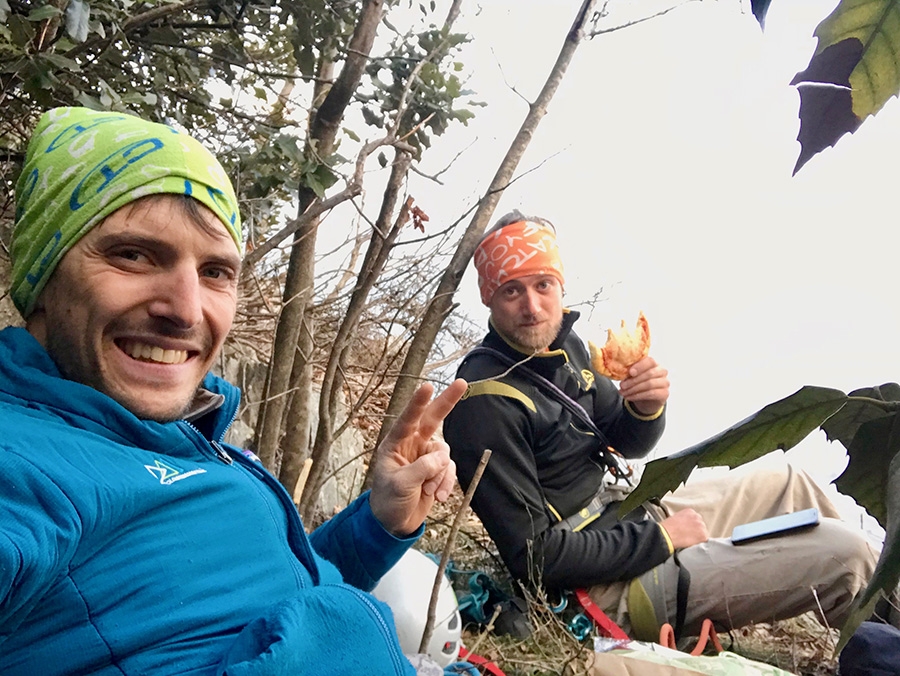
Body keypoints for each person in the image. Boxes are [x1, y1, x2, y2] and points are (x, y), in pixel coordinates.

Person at [0, 106, 468, 676]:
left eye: (216, 271)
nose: (186, 309)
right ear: (42, 276)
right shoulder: (21, 466)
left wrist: (379, 521)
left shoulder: (173, 436)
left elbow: (268, 592)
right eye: (133, 255)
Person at [443, 210, 883, 641]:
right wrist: (660, 539)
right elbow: (535, 559)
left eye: (543, 285)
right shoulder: (484, 400)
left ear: (560, 284)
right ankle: (881, 648)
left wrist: (647, 407)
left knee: (794, 483)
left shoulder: (565, 346)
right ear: (489, 298)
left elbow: (625, 439)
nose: (533, 307)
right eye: (511, 291)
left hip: (628, 516)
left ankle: (883, 632)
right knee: (850, 559)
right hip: (602, 589)